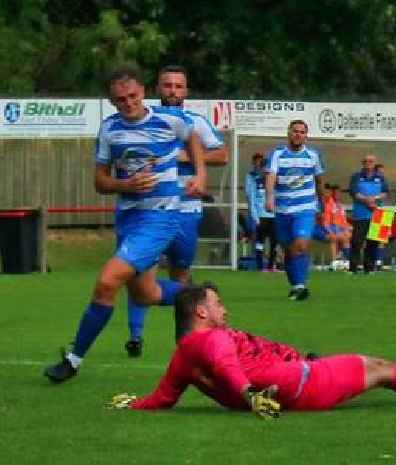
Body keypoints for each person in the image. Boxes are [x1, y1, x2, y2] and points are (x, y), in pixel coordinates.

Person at [44, 65, 206, 383]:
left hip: (161, 216)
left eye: (132, 96)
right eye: (120, 99)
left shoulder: (170, 120)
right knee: (145, 294)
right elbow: (101, 182)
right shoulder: (109, 130)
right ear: (111, 100)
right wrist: (126, 185)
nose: (128, 103)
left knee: (107, 282)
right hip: (129, 217)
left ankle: (73, 361)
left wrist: (200, 174)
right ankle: (200, 295)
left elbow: (195, 140)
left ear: (143, 92)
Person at [106, 283, 396, 416]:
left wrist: (129, 403)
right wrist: (249, 396)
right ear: (202, 312)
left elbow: (162, 398)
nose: (225, 310)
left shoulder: (183, 353)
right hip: (303, 385)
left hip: (292, 380)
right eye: (218, 304)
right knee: (377, 367)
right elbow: (227, 367)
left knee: (373, 369)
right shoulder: (212, 339)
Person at [124, 65, 228, 357]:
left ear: (186, 91)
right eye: (167, 85)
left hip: (185, 210)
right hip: (150, 209)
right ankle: (135, 336)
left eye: (178, 86)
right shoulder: (143, 121)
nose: (172, 91)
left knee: (181, 274)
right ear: (157, 89)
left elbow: (222, 154)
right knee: (140, 269)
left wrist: (186, 155)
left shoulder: (195, 122)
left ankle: (186, 342)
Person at [265, 120, 324, 300]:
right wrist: (269, 197)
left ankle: (300, 286)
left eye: (302, 132)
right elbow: (271, 177)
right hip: (283, 210)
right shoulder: (277, 154)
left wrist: (322, 204)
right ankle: (295, 285)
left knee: (300, 244)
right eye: (295, 131)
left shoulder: (313, 155)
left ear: (306, 136)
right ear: (289, 133)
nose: (298, 134)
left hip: (305, 209)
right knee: (289, 250)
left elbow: (319, 180)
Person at [348, 154, 389, 274]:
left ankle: (370, 268)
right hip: (360, 213)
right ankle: (353, 268)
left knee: (374, 243)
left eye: (371, 161)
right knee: (356, 242)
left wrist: (374, 199)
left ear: (374, 163)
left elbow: (385, 192)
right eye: (366, 161)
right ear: (363, 163)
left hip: (378, 213)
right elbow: (354, 192)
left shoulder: (381, 177)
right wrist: (366, 200)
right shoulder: (356, 176)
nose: (368, 163)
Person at [246, 152, 278, 271]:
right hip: (261, 216)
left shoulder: (274, 184)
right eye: (264, 169)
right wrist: (255, 217)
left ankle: (271, 266)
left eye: (268, 170)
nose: (266, 172)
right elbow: (252, 200)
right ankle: (260, 266)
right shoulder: (256, 182)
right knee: (260, 242)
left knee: (274, 242)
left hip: (273, 216)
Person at [313, 183, 351, 266]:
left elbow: (342, 222)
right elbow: (324, 221)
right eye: (334, 192)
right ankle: (335, 261)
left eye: (338, 193)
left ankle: (346, 260)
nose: (337, 194)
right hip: (318, 228)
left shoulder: (338, 205)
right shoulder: (325, 202)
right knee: (334, 237)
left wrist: (347, 229)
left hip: (331, 227)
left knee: (346, 236)